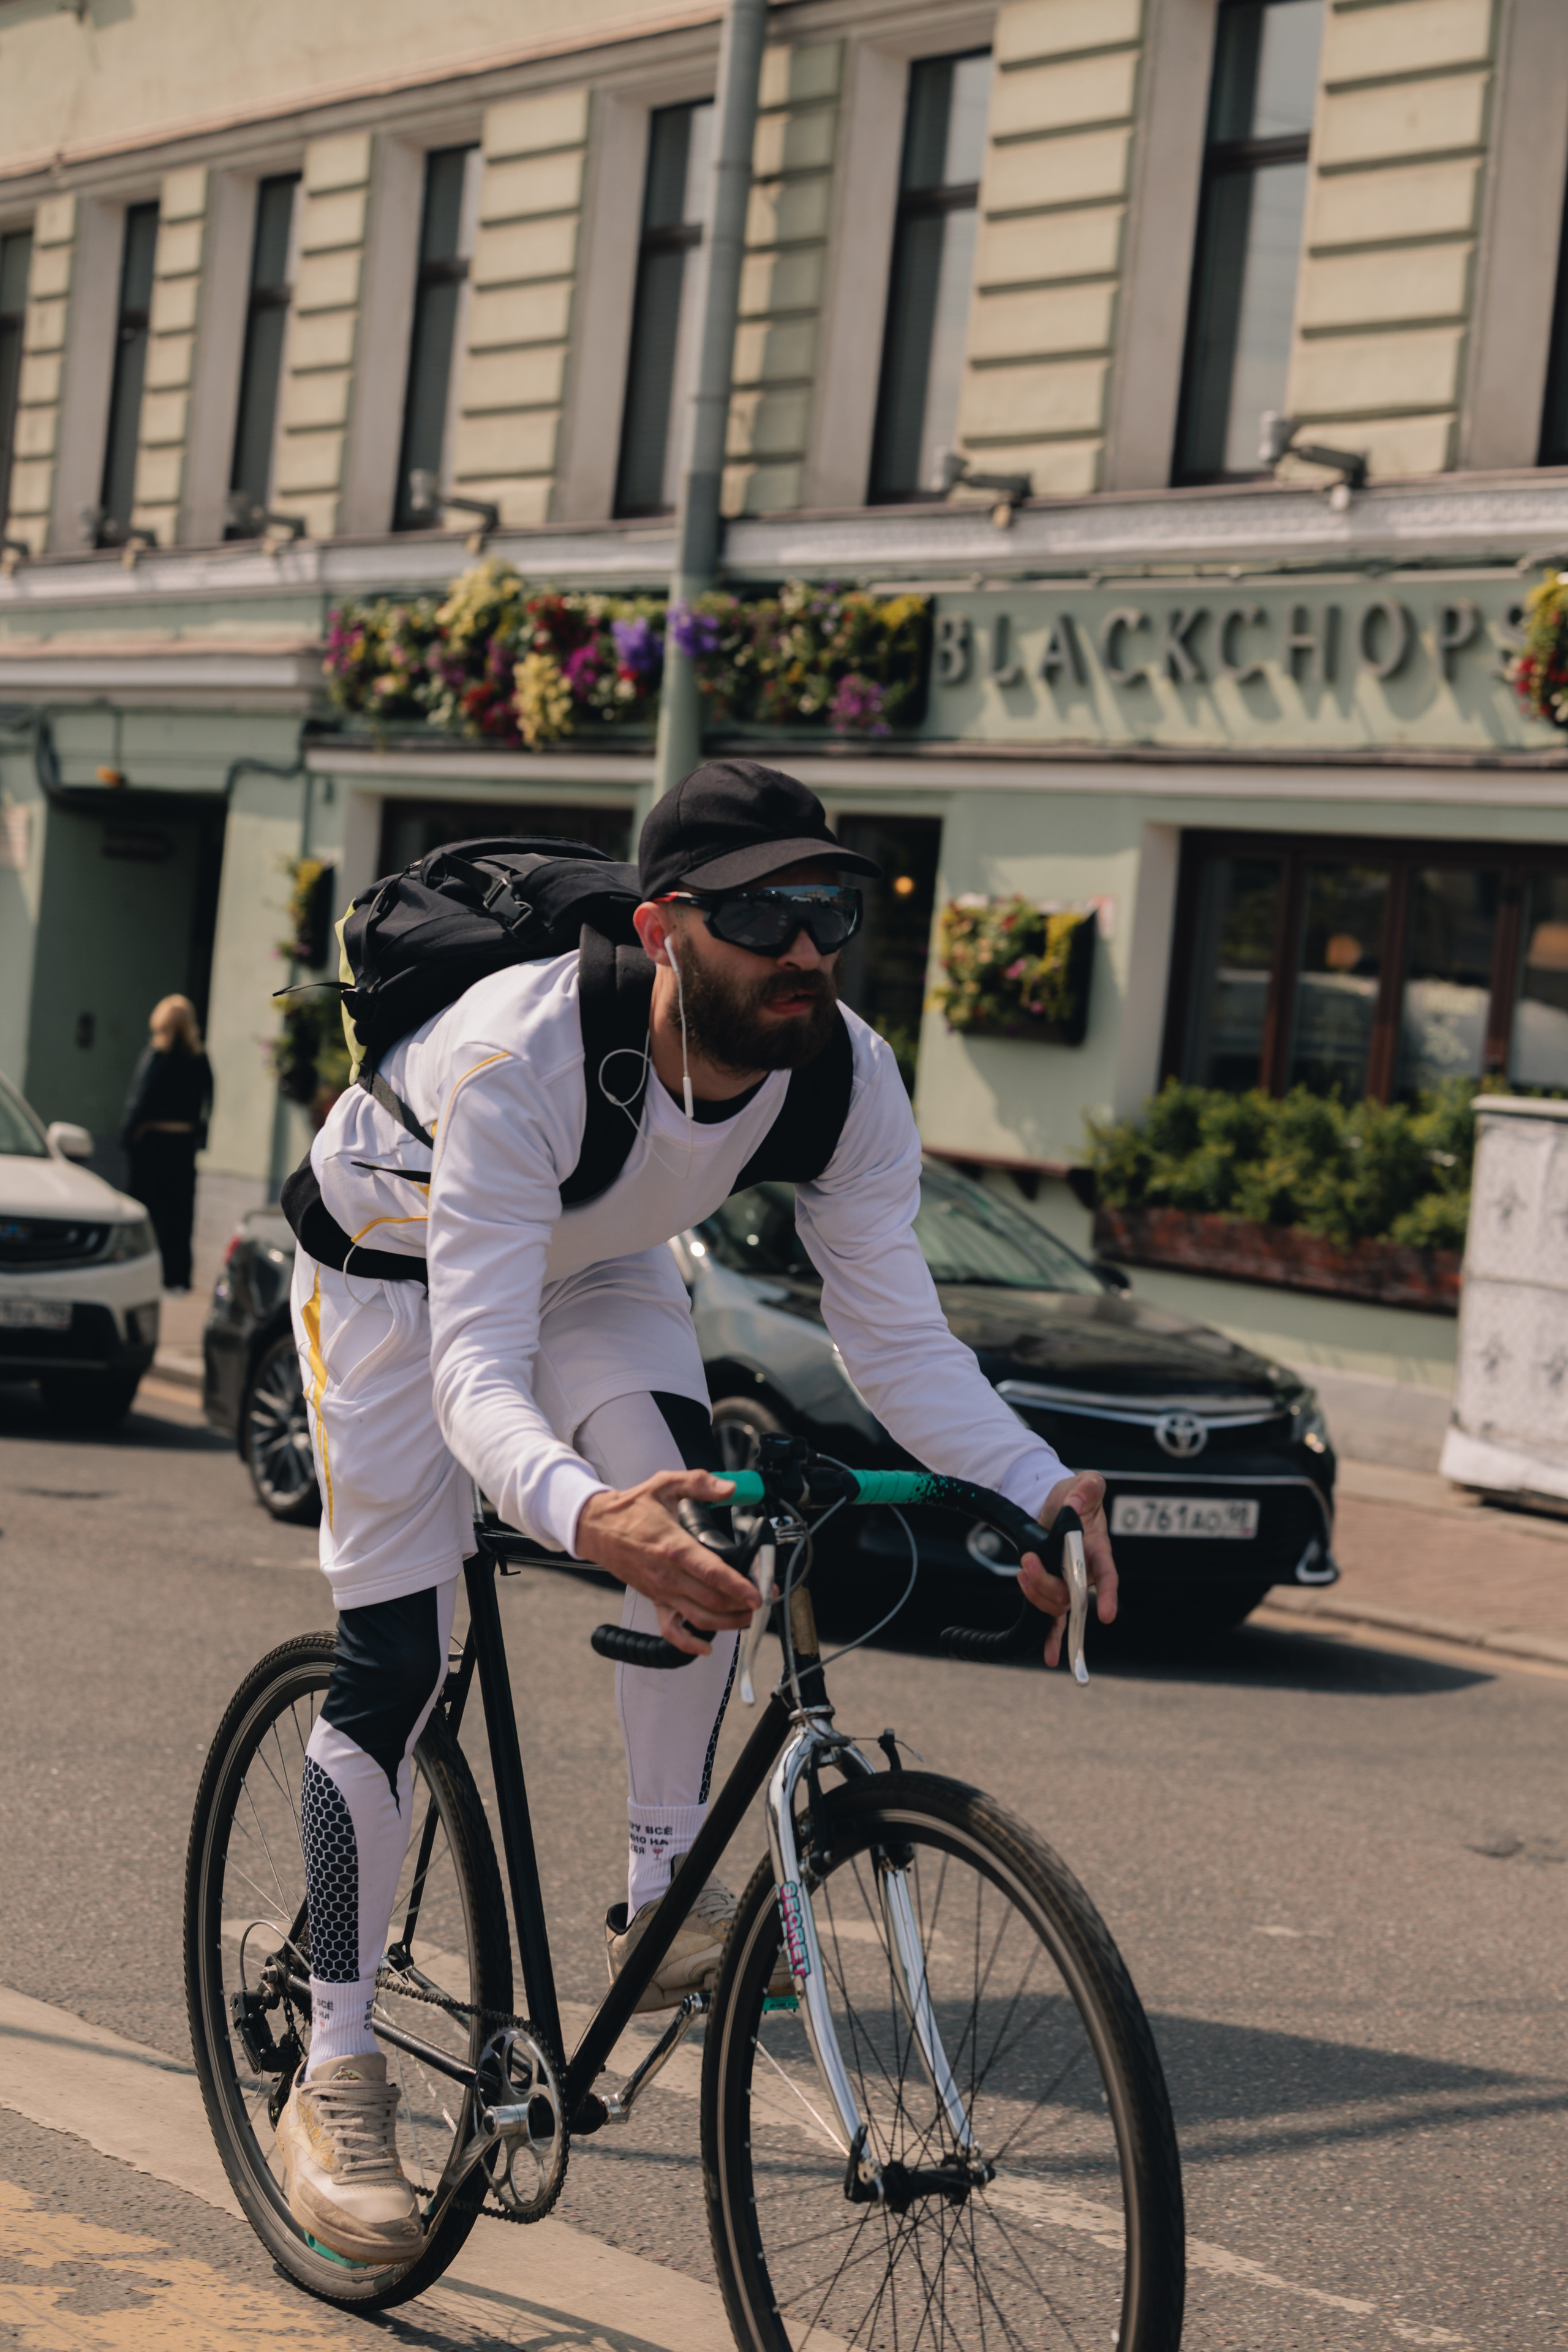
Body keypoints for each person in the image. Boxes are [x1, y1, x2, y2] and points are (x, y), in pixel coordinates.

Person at [275, 760, 1120, 2267]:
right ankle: (334, 2063)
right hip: (396, 1278)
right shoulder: (516, 1056)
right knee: (401, 1650)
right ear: (667, 925)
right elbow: (473, 1367)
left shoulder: (843, 1072)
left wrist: (1030, 1480)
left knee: (708, 1532)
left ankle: (663, 1899)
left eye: (832, 910)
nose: (807, 947)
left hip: (595, 1267)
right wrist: (588, 1513)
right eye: (766, 914)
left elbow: (898, 1339)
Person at [120, 993, 212, 1293]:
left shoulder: (156, 1057)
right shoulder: (199, 1059)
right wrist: (200, 1137)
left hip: (152, 1143)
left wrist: (128, 1137)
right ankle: (178, 1278)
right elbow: (208, 1101)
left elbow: (139, 1100)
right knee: (180, 1213)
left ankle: (144, 1273)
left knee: (147, 1210)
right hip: (183, 1144)